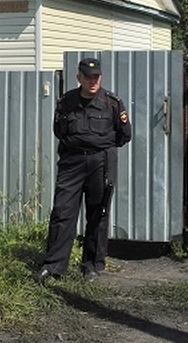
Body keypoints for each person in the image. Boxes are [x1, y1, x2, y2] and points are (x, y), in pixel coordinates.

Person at [34, 57, 132, 283]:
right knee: (62, 211)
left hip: (101, 162)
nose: (92, 81)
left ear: (101, 77)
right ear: (79, 77)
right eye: (87, 77)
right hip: (73, 162)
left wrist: (99, 147)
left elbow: (124, 134)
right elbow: (60, 130)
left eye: (96, 77)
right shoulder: (67, 101)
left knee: (98, 213)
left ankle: (92, 266)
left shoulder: (112, 103)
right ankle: (55, 265)